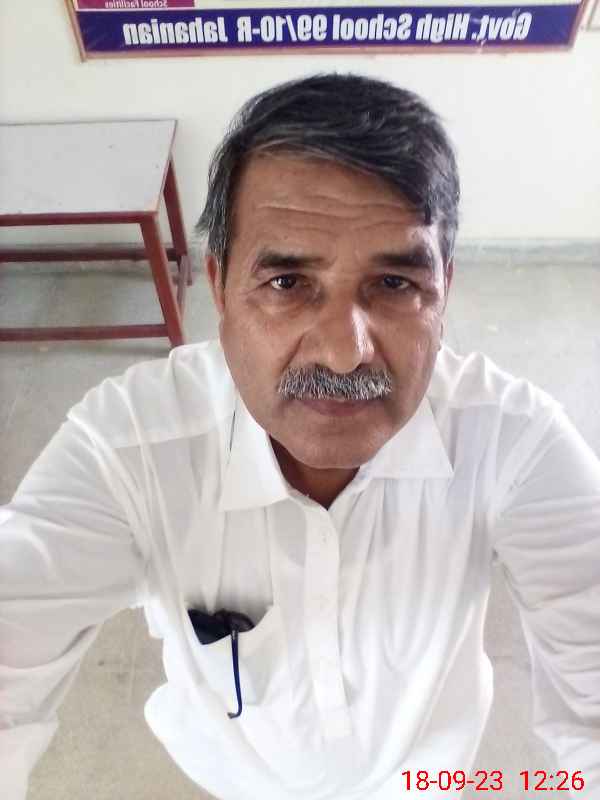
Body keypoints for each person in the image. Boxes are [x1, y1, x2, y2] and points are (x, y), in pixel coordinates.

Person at [1, 73, 599, 800]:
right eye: (287, 284)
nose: (344, 354)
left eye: (394, 284)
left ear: (445, 289)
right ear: (219, 287)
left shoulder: (514, 444)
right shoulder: (130, 449)